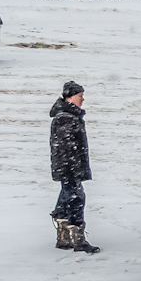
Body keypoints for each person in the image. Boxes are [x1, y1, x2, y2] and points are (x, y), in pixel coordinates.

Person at [49, 81, 100, 253]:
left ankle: (63, 237)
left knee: (66, 196)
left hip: (67, 167)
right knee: (76, 198)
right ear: (70, 98)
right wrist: (73, 168)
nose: (83, 99)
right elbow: (66, 147)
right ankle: (78, 240)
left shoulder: (68, 116)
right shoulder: (66, 118)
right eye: (80, 96)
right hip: (69, 168)